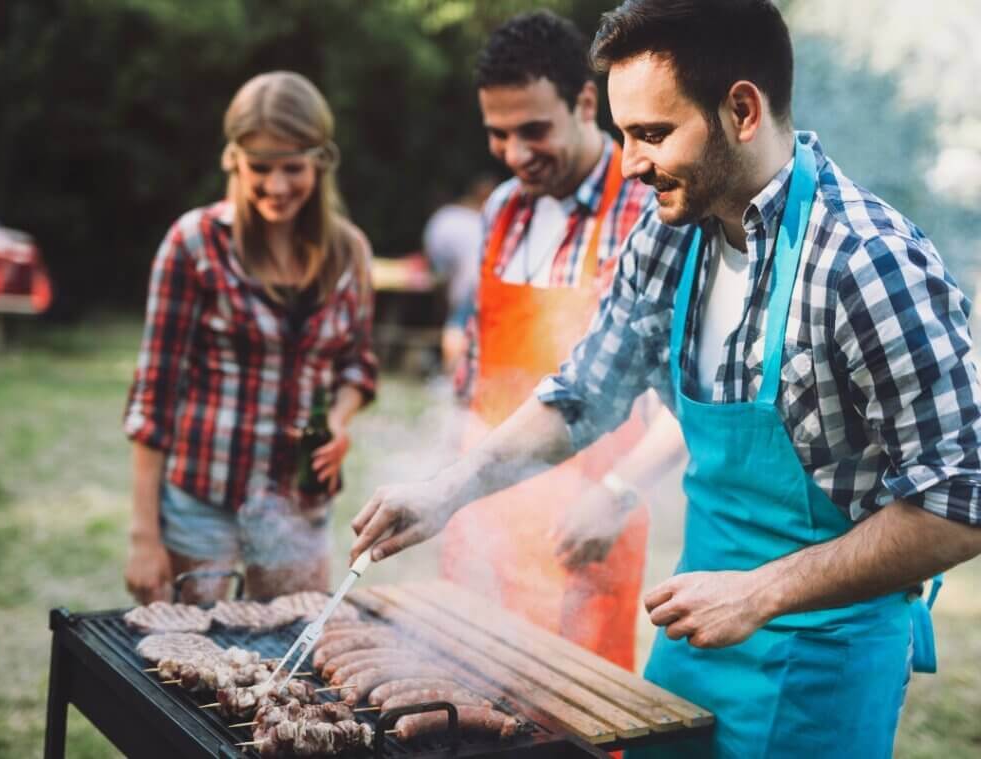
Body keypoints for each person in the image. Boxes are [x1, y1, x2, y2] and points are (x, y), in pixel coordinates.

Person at [349, 1, 981, 756]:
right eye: (622, 135)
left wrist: (762, 590)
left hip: (822, 660)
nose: (629, 164)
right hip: (694, 629)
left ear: (741, 109)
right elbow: (586, 392)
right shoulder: (670, 232)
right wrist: (448, 489)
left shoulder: (866, 264)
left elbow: (960, 501)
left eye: (651, 134)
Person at [438, 10, 663, 671]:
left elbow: (681, 396)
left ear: (585, 102)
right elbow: (477, 368)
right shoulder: (501, 209)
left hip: (585, 527)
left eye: (532, 129)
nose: (514, 153)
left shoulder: (645, 207)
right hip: (484, 522)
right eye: (498, 134)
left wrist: (619, 489)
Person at [124, 71, 377, 605]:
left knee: (290, 659)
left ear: (321, 160)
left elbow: (358, 365)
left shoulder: (350, 252)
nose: (277, 186)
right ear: (233, 159)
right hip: (201, 503)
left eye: (293, 167)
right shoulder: (192, 244)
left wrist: (337, 422)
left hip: (299, 507)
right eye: (260, 167)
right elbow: (154, 395)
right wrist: (143, 535)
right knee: (188, 666)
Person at [422, 175, 495, 373]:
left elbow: (437, 264)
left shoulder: (445, 217)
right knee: (467, 331)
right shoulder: (485, 220)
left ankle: (451, 377)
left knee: (457, 327)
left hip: (469, 282)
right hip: (488, 280)